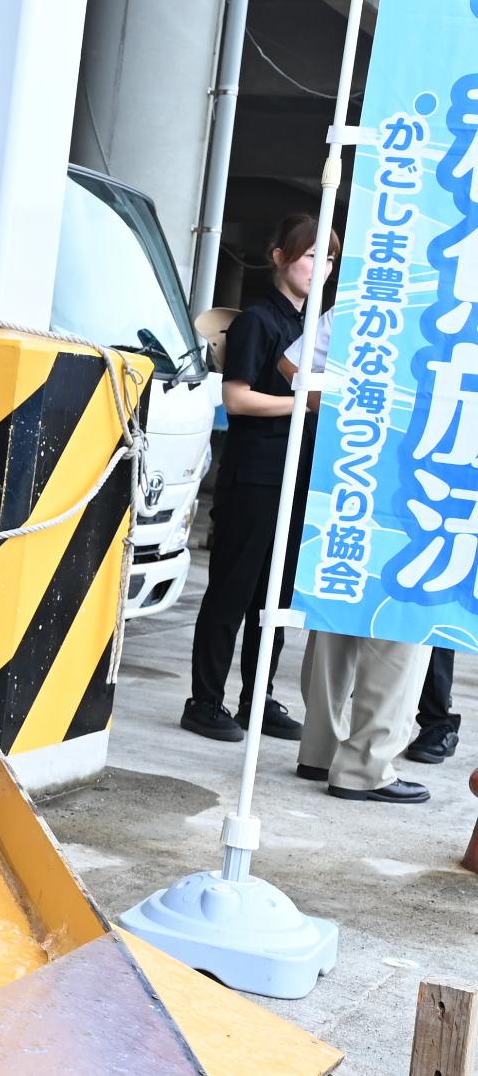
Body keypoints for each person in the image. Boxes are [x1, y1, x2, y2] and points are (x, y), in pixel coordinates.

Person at [182, 215, 336, 743]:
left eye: (329, 259)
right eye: (312, 255)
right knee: (232, 589)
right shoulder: (257, 321)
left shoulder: (317, 328)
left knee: (276, 596)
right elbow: (237, 399)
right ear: (279, 257)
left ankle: (258, 699)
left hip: (299, 477)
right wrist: (304, 403)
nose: (321, 268)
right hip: (255, 475)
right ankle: (204, 701)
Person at [279, 314, 435, 802]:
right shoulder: (459, 301)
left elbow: (292, 364)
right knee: (403, 621)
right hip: (425, 477)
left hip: (350, 469)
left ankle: (319, 751)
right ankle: (365, 766)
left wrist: (349, 413)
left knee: (339, 602)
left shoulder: (369, 291)